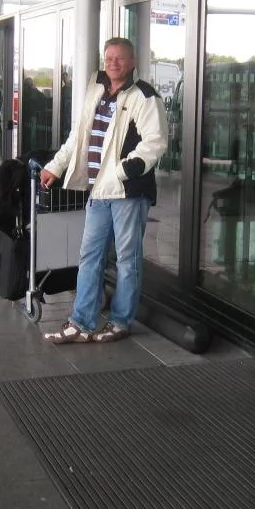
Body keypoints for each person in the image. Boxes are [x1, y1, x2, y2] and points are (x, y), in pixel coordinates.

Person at [41, 38, 168, 344]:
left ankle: (120, 322)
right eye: (108, 58)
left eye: (120, 58)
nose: (113, 63)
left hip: (128, 192)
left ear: (133, 62)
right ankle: (80, 322)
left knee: (127, 258)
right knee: (90, 255)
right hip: (99, 190)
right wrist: (55, 166)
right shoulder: (96, 91)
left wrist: (123, 172)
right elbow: (78, 136)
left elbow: (155, 142)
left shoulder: (144, 96)